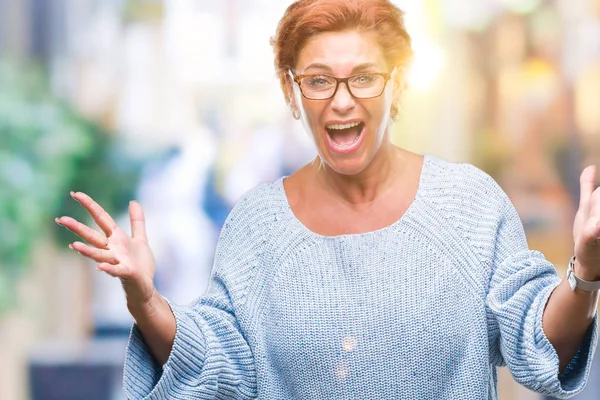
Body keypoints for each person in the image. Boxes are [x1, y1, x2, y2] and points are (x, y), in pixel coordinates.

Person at [55, 0, 600, 398]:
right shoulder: (257, 225)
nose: (341, 101)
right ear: (293, 93)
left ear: (398, 86)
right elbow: (217, 367)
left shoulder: (469, 205)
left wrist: (585, 269)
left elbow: (540, 345)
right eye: (319, 81)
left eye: (364, 77)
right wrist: (145, 300)